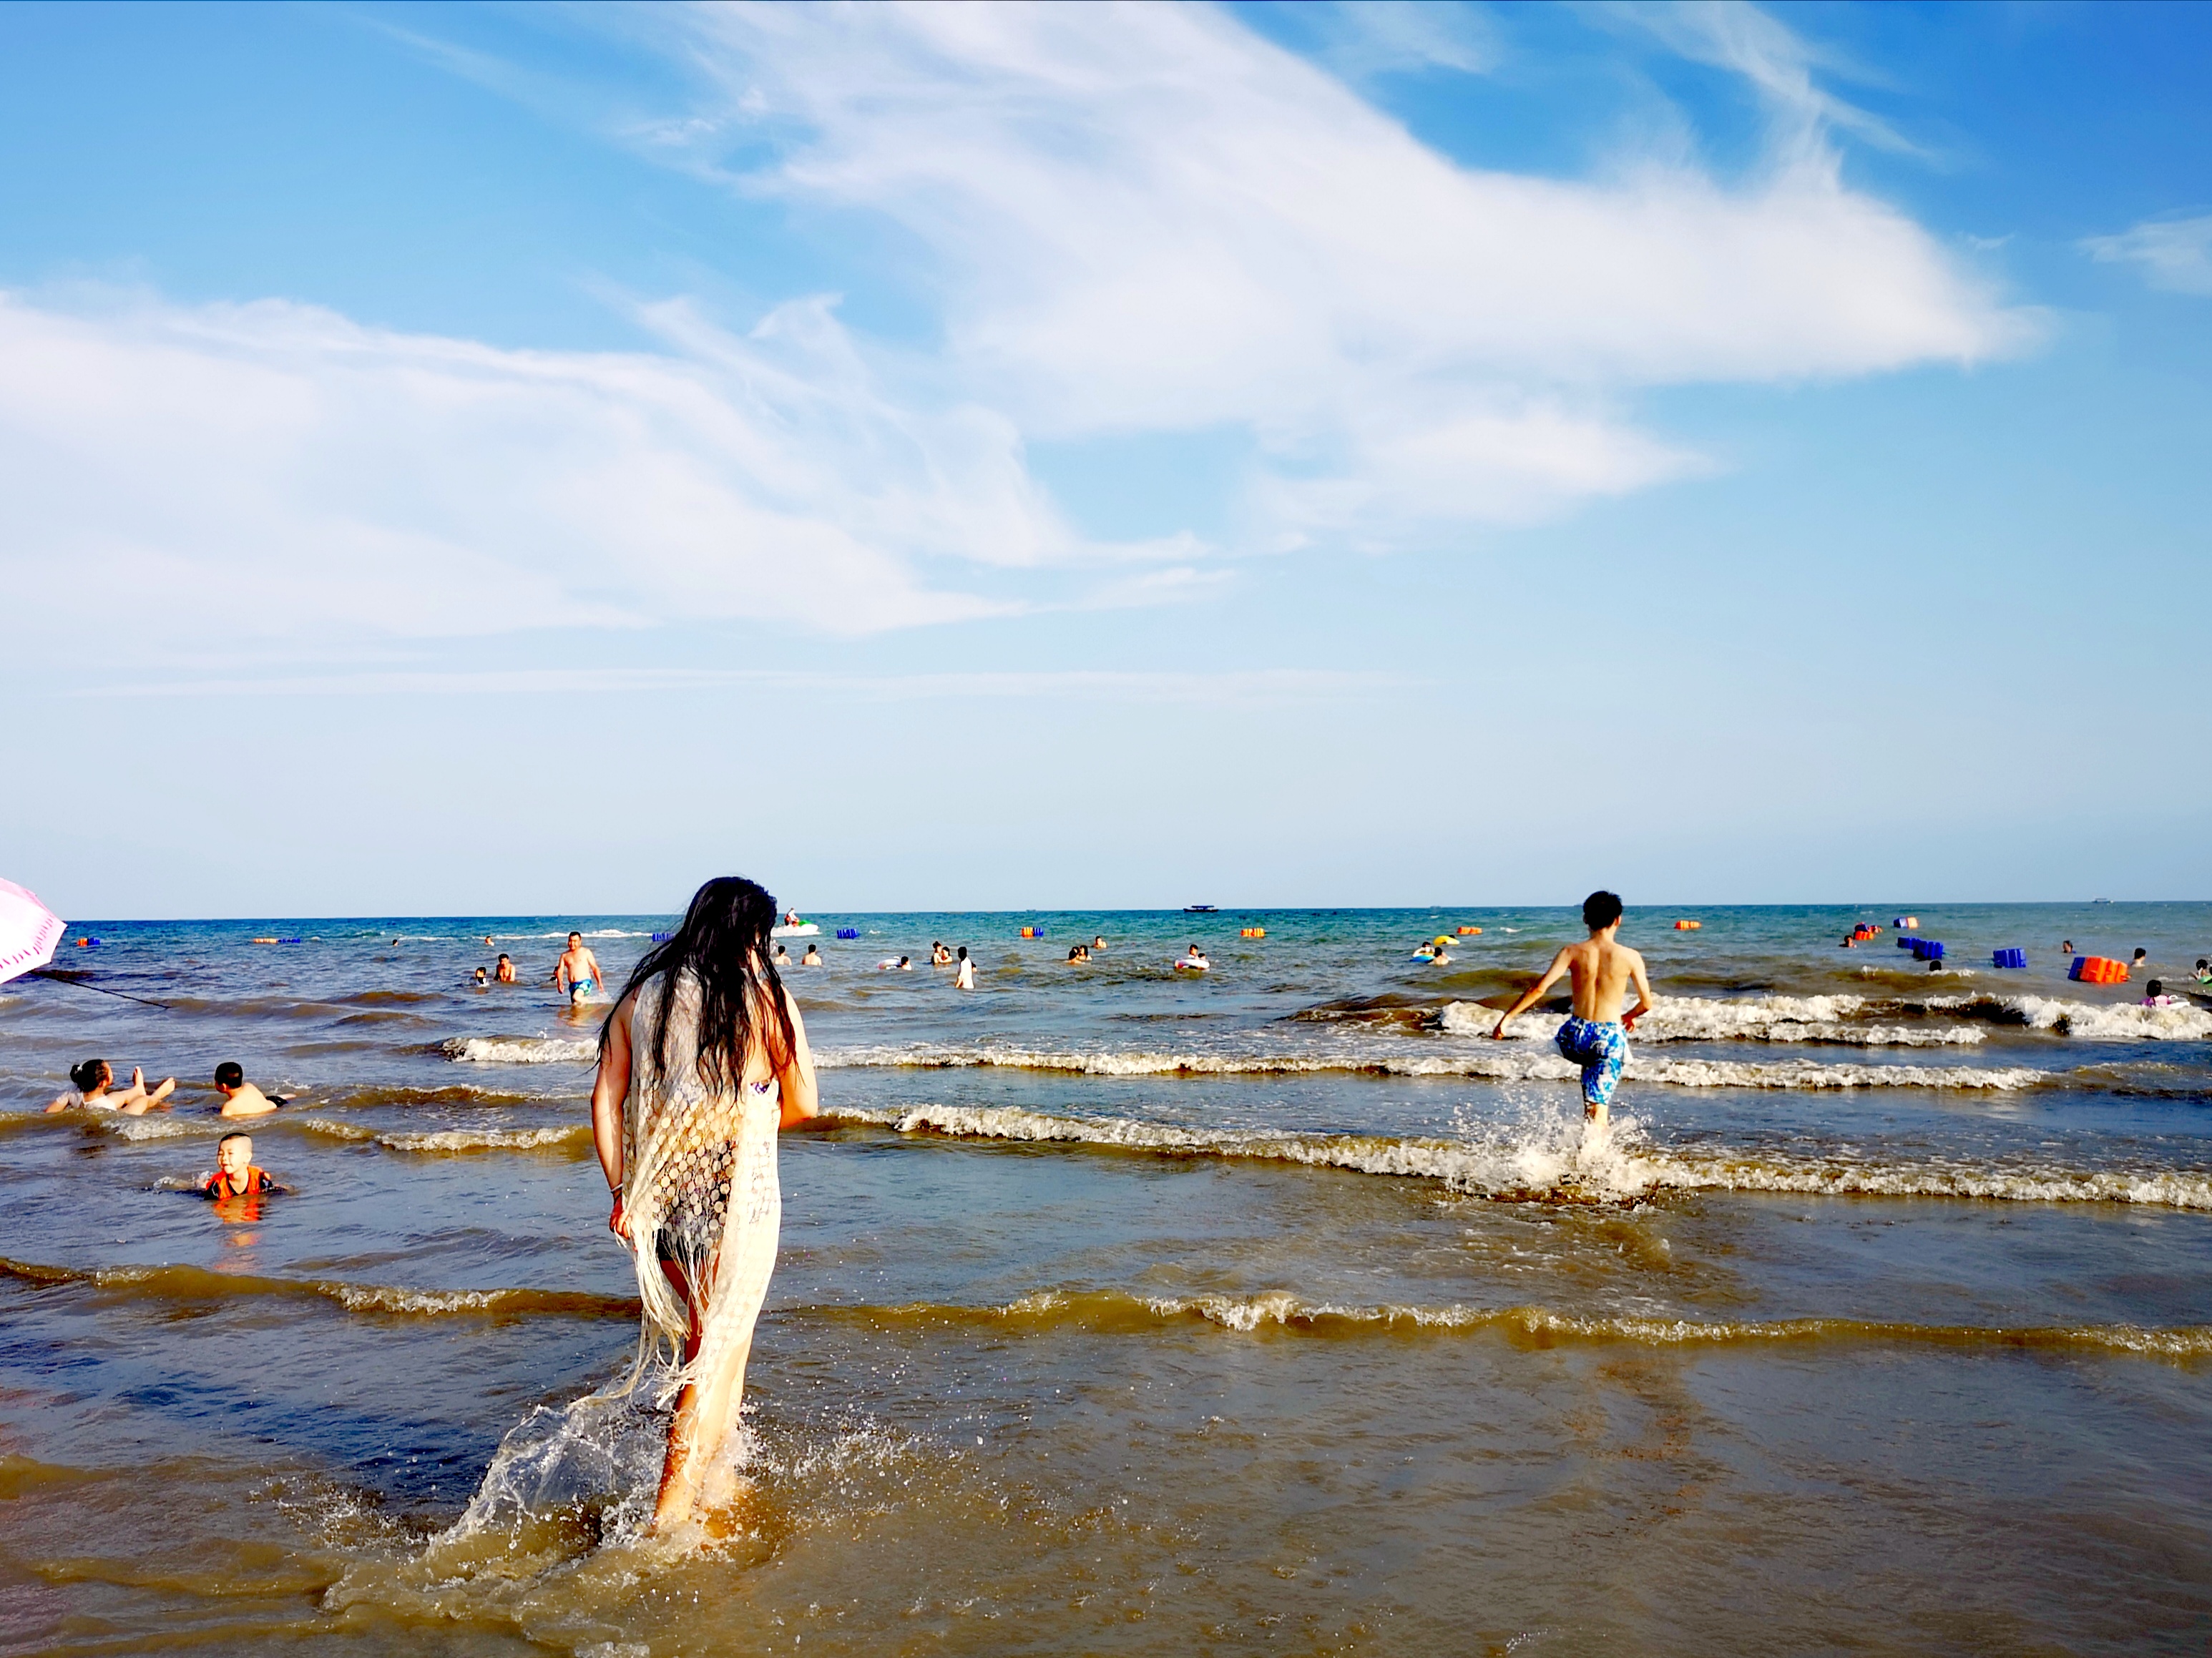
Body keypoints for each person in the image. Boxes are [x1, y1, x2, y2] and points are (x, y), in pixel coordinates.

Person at [589, 876, 819, 1536]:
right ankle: (668, 1516)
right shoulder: (765, 999)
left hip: (659, 1202)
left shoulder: (642, 997)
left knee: (721, 1344)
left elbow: (606, 1100)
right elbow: (805, 1105)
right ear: (753, 935)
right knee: (713, 1350)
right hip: (736, 1199)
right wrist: (747, 1108)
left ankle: (716, 1478)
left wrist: (620, 1192)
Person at [1486, 891, 1653, 1132]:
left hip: (1574, 1037)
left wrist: (1507, 1018)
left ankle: (1585, 1131)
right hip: (1607, 1037)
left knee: (1590, 1080)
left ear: (1586, 919)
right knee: (1600, 1107)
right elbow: (1646, 1004)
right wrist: (1628, 1017)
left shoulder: (1571, 952)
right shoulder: (1630, 957)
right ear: (1618, 920)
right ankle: (1595, 1158)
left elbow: (1538, 989)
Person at [46, 1059, 175, 1115]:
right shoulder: (106, 1107)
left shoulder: (73, 1092)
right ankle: (159, 1093)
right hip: (117, 1113)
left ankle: (138, 1089)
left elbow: (49, 1112)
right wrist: (158, 1095)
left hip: (96, 1103)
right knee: (144, 1100)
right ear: (103, 1083)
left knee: (116, 1096)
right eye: (110, 1071)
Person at [202, 1132, 280, 1200]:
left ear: (247, 1158)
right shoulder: (216, 1186)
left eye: (230, 1153)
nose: (224, 1158)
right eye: (220, 1154)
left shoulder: (260, 1180)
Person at [213, 1061, 282, 1118]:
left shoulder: (228, 1109)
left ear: (223, 1086)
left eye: (216, 1081)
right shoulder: (248, 1086)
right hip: (276, 1104)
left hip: (265, 1114)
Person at [554, 933, 605, 1004]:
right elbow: (560, 970)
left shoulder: (586, 952)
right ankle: (588, 1011)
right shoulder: (564, 955)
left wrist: (599, 982)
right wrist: (560, 983)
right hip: (573, 985)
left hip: (585, 982)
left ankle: (593, 1003)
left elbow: (595, 968)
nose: (572, 943)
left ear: (580, 942)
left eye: (575, 941)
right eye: (570, 941)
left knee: (576, 997)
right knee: (576, 1007)